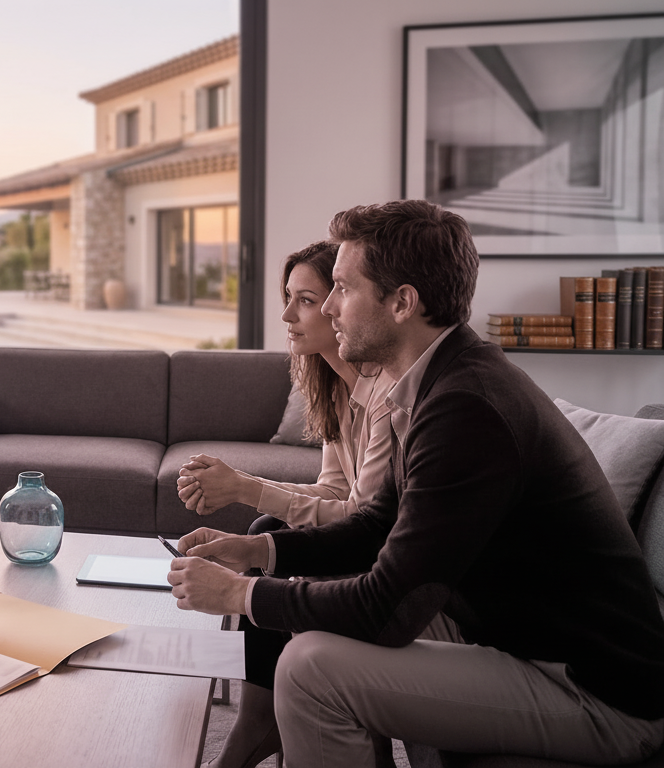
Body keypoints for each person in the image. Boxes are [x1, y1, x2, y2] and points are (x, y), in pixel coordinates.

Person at [168, 199, 664, 766]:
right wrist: (257, 548)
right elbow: (379, 524)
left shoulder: (467, 408)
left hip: (596, 692)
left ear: (403, 302)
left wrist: (240, 595)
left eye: (342, 289)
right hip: (524, 639)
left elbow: (388, 608)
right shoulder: (443, 381)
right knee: (314, 609)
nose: (328, 308)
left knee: (310, 669)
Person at [176, 240, 397, 768]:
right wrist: (239, 485)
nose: (286, 315)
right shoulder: (336, 386)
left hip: (389, 555)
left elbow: (366, 522)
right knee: (270, 524)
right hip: (367, 536)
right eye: (287, 297)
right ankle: (260, 719)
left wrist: (243, 489)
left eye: (305, 299)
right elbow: (331, 492)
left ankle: (259, 726)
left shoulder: (387, 397)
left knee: (267, 526)